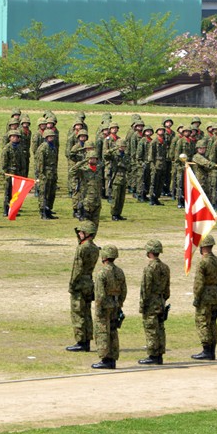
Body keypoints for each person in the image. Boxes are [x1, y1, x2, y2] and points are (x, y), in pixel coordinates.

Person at [66, 221, 100, 353]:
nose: (79, 234)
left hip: (80, 282)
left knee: (78, 312)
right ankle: (86, 339)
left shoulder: (82, 248)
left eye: (81, 232)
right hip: (89, 281)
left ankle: (81, 341)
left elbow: (77, 269)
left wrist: (72, 284)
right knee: (86, 312)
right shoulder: (95, 248)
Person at [92, 245, 127, 370]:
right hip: (115, 305)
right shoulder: (119, 271)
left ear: (104, 257)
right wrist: (119, 304)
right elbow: (124, 291)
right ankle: (112, 358)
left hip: (104, 307)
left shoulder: (102, 273)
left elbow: (100, 294)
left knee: (102, 332)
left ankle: (105, 358)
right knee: (113, 331)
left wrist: (99, 307)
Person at [191, 235, 217, 361]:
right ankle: (212, 350)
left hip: (204, 295)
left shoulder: (202, 262)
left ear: (203, 247)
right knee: (212, 322)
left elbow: (199, 282)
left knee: (203, 322)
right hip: (215, 294)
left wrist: (197, 297)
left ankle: (206, 350)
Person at [138, 239, 171, 365]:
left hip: (151, 302)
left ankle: (153, 355)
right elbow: (167, 288)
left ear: (150, 252)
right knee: (160, 328)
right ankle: (159, 354)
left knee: (151, 328)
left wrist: (143, 305)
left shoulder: (149, 269)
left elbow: (145, 289)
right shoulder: (165, 267)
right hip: (161, 301)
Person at [70, 150, 103, 228]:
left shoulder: (99, 169)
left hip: (97, 201)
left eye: (94, 158)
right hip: (86, 202)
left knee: (95, 225)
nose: (93, 160)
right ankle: (85, 239)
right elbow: (72, 171)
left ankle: (91, 239)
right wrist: (83, 161)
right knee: (86, 225)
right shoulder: (83, 170)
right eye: (91, 158)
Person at [0, 129, 26, 217]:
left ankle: (13, 209)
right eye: (13, 136)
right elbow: (3, 163)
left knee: (15, 193)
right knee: (8, 192)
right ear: (10, 138)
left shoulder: (19, 148)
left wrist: (22, 172)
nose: (15, 138)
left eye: (16, 137)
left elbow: (22, 161)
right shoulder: (7, 148)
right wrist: (4, 173)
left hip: (17, 173)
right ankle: (6, 210)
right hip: (9, 173)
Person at [35, 129, 59, 219]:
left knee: (51, 193)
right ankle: (43, 211)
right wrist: (41, 174)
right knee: (44, 193)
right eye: (49, 137)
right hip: (45, 173)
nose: (51, 138)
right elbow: (40, 162)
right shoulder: (43, 148)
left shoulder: (53, 147)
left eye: (52, 136)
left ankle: (49, 210)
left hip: (52, 173)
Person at [104, 139, 130, 221]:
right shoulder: (114, 155)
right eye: (121, 146)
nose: (122, 148)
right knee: (115, 198)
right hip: (115, 178)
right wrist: (113, 149)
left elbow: (129, 166)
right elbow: (106, 155)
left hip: (123, 178)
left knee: (121, 199)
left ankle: (119, 214)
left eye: (124, 146)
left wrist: (122, 165)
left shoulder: (126, 156)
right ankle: (114, 214)